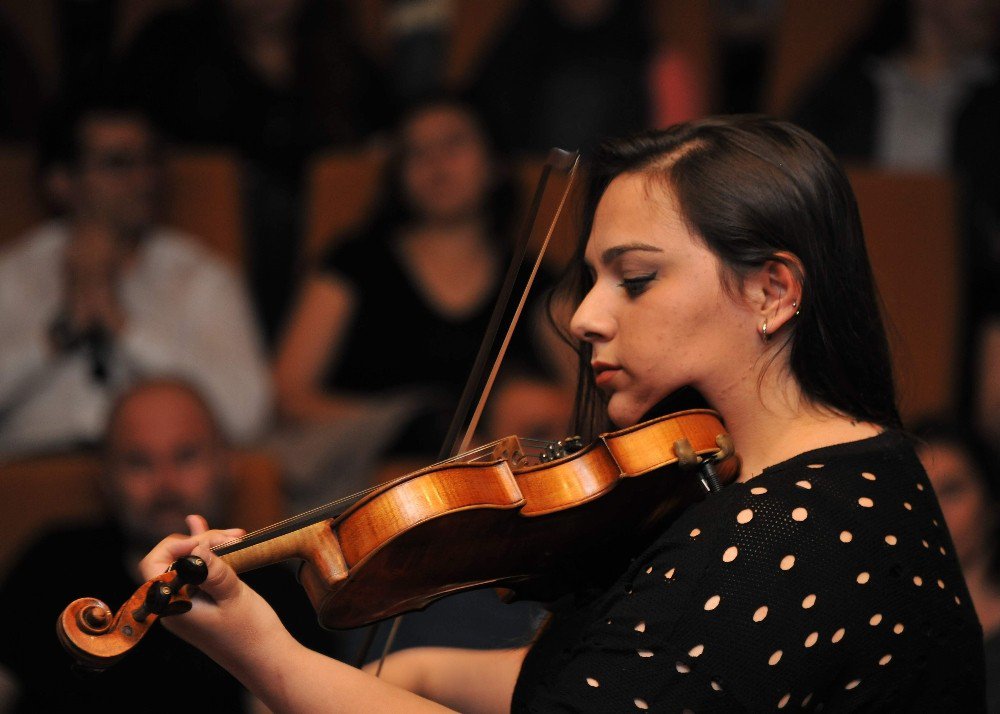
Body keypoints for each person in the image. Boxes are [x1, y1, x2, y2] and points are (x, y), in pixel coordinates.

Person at [128, 115, 985, 711]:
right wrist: (427, 670)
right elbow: (629, 682)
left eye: (636, 278)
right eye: (593, 279)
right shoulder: (829, 478)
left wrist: (262, 653)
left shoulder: (781, 536)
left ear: (772, 290)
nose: (583, 317)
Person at [270, 93, 572, 507]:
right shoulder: (355, 262)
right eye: (416, 152)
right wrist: (410, 422)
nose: (436, 164)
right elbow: (289, 395)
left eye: (453, 144)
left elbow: (584, 397)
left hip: (500, 490)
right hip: (373, 484)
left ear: (496, 162)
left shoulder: (536, 276)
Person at [0, 378, 338, 712]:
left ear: (228, 465)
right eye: (138, 462)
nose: (166, 484)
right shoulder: (51, 561)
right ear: (105, 478)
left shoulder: (278, 588)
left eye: (186, 456)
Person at [0, 95, 272, 458]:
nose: (144, 179)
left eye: (151, 160)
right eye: (118, 164)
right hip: (29, 482)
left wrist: (123, 326)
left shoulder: (201, 277)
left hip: (161, 489)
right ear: (61, 181)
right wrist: (59, 335)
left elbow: (247, 417)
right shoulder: (12, 274)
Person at [113, 0, 391, 345]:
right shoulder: (174, 44)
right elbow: (119, 132)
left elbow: (383, 140)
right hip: (194, 235)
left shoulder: (342, 59)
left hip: (320, 251)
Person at [912, 416, 1000, 712]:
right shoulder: (889, 623)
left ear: (991, 500)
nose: (934, 509)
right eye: (921, 492)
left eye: (951, 491)